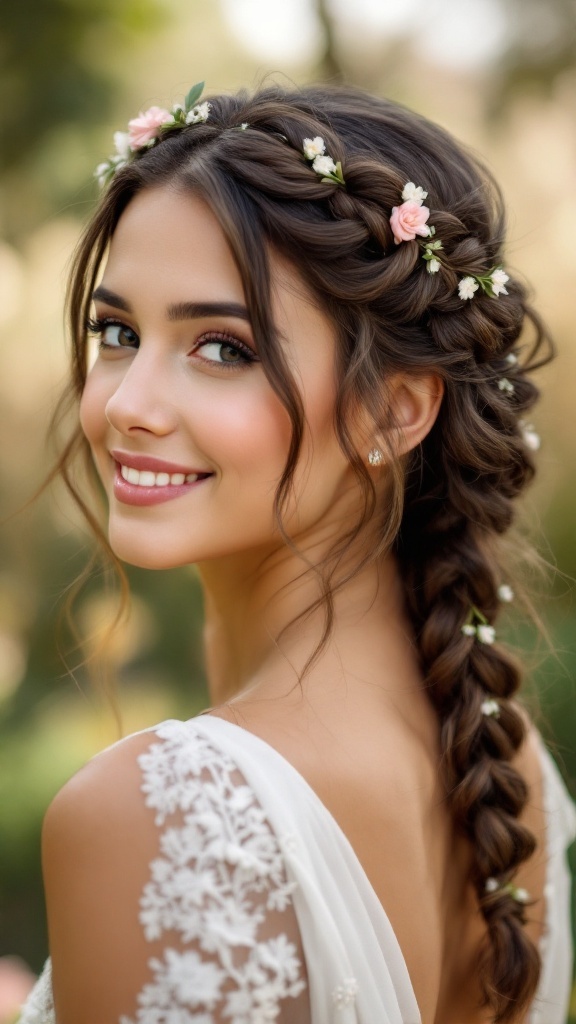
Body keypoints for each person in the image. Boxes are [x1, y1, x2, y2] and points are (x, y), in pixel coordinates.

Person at [18, 81, 576, 1024]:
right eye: (116, 333)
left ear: (393, 411)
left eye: (222, 349)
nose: (124, 404)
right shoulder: (504, 762)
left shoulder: (160, 814)